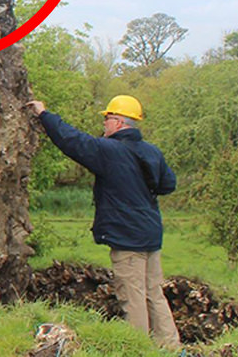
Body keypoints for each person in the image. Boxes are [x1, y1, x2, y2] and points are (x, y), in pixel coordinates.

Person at [26, 95, 181, 350]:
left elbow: (72, 141)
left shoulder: (109, 151)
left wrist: (45, 115)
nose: (104, 125)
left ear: (119, 122)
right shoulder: (152, 152)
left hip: (128, 238)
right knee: (154, 292)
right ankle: (171, 348)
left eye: (107, 119)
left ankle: (138, 349)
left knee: (132, 297)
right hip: (151, 234)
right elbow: (168, 185)